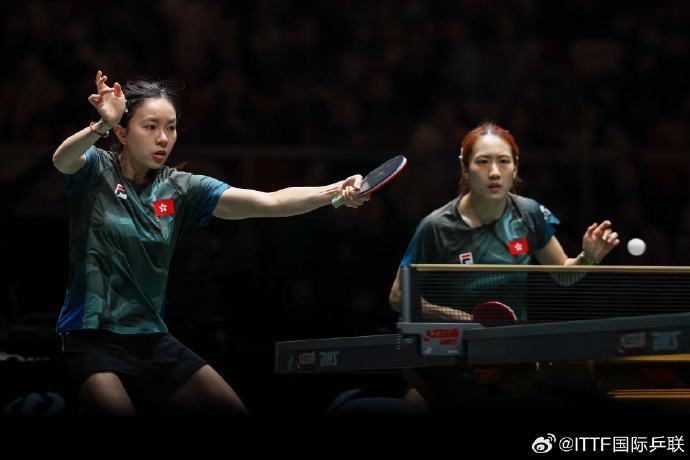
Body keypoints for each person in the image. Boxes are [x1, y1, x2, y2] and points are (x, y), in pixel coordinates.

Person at [52, 71, 369, 415]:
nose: (163, 138)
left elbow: (269, 201)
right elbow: (62, 160)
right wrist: (101, 124)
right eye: (151, 127)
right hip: (92, 337)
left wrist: (335, 190)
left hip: (150, 338)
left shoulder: (182, 188)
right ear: (122, 133)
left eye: (171, 128)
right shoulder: (97, 169)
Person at [388, 122, 619, 412]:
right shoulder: (437, 226)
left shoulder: (528, 214)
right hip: (451, 360)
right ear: (465, 168)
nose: (494, 172)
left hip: (510, 360)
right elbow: (398, 297)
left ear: (515, 167)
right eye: (483, 162)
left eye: (503, 161)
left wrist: (588, 257)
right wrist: (459, 317)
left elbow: (563, 274)